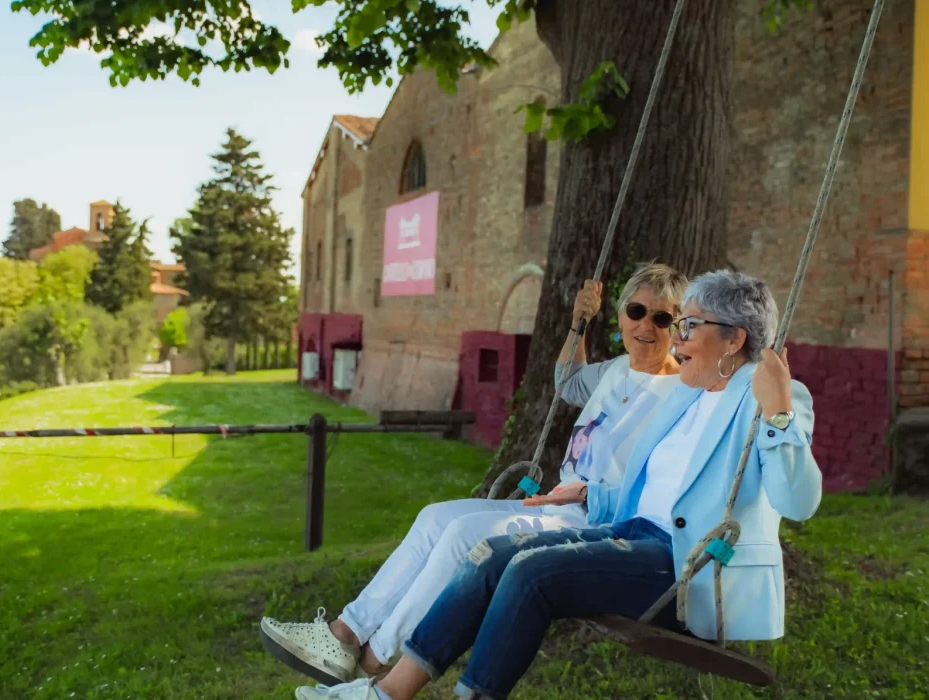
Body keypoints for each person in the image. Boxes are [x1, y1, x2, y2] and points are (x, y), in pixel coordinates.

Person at [294, 269, 823, 700]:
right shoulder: (687, 395)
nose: (674, 338)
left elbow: (799, 502)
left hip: (688, 568)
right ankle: (386, 694)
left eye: (686, 326)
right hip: (632, 532)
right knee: (492, 551)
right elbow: (654, 491)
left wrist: (778, 415)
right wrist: (590, 493)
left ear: (734, 338)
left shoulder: (772, 397)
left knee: (532, 569)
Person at [260, 264, 688, 684]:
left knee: (466, 536)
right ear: (621, 315)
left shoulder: (684, 392)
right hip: (554, 503)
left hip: (595, 519)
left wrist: (584, 495)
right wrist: (579, 324)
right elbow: (567, 379)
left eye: (662, 317)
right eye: (636, 311)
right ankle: (345, 633)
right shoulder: (615, 369)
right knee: (435, 517)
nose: (646, 325)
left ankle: (375, 660)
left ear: (678, 326)